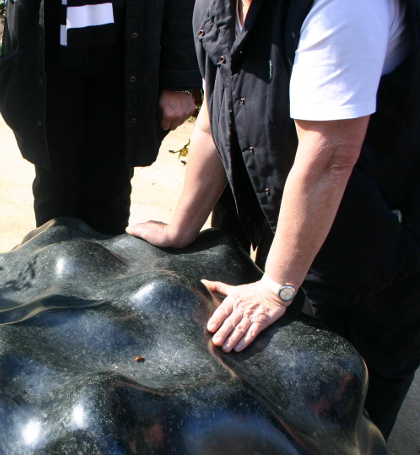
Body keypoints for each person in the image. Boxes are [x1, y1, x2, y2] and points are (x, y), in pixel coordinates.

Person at [128, 0, 420, 439]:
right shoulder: (218, 4)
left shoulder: (346, 7)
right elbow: (215, 114)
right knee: (290, 371)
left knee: (362, 380)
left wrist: (275, 286)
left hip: (379, 233)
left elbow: (330, 158)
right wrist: (181, 227)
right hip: (298, 214)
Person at [0, 0, 202, 236]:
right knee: (55, 194)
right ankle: (54, 268)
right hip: (46, 44)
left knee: (108, 193)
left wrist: (179, 79)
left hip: (126, 49)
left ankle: (107, 270)